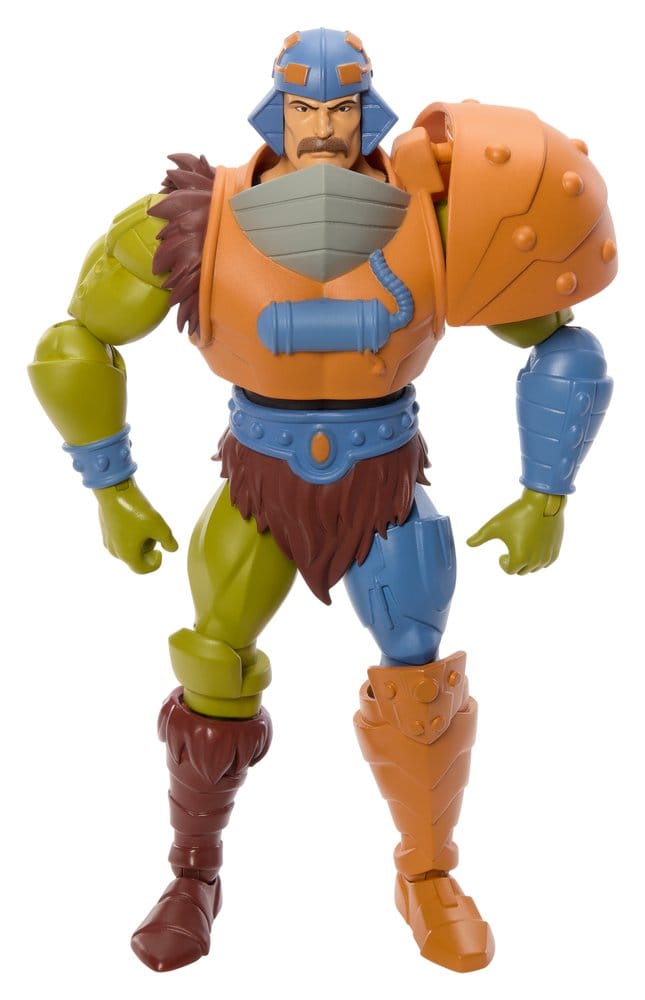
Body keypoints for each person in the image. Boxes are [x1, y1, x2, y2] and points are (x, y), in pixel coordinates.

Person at [28, 27, 616, 975]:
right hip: (257, 482)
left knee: (419, 682)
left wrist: (544, 493)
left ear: (367, 110)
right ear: (276, 109)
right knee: (213, 667)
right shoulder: (195, 218)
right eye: (305, 106)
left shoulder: (439, 218)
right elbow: (76, 342)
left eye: (341, 107)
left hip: (385, 482)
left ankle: (427, 874)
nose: (323, 126)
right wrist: (112, 486)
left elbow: (562, 343)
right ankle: (192, 872)